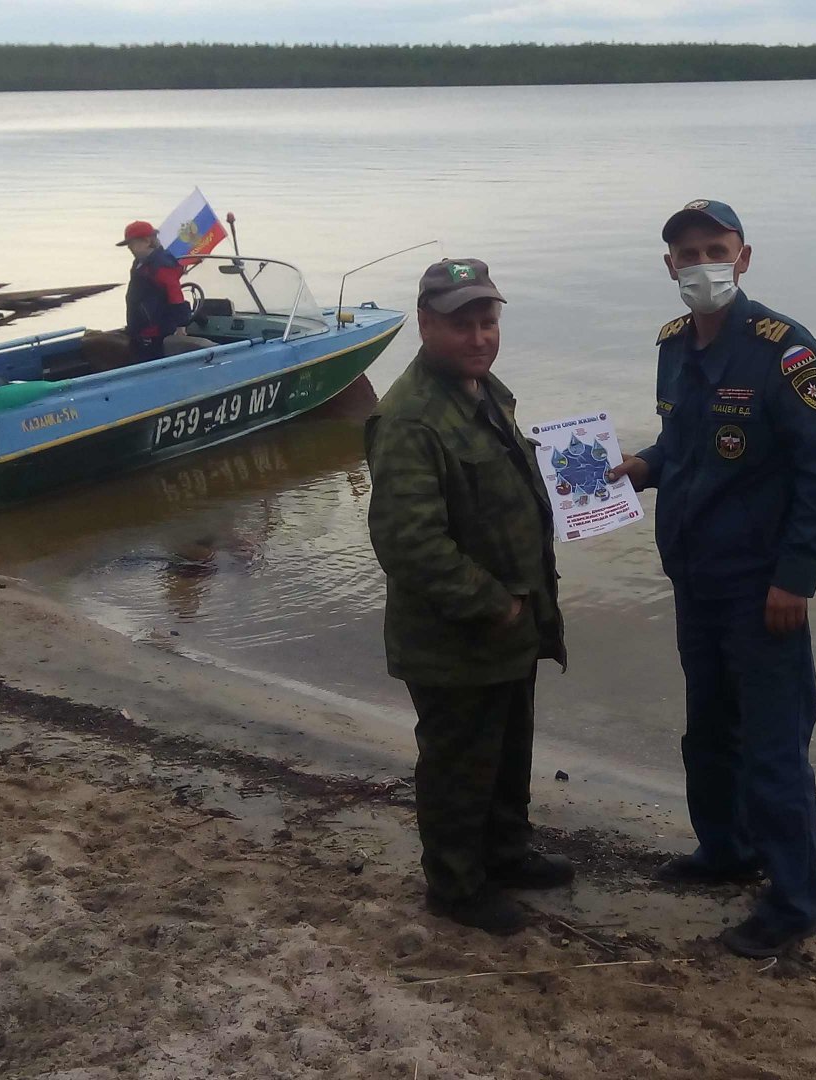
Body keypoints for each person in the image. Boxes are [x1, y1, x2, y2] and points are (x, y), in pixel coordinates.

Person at [609, 199, 816, 957]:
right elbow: (685, 444)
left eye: (715, 250)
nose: (702, 265)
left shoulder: (785, 351)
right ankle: (726, 850)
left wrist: (797, 575)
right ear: (669, 266)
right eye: (687, 254)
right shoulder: (673, 345)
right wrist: (643, 467)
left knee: (774, 747)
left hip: (763, 590)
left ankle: (794, 902)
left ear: (743, 258)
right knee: (710, 731)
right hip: (697, 577)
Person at [365, 258, 573, 935]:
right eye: (462, 325)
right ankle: (456, 887)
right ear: (426, 324)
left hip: (510, 625)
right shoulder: (410, 419)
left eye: (488, 322)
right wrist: (495, 604)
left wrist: (583, 474)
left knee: (507, 749)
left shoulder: (482, 391)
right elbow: (409, 542)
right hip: (457, 635)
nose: (479, 337)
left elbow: (501, 481)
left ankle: (505, 854)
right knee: (459, 763)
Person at [118, 219, 192, 363]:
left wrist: (181, 325)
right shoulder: (139, 263)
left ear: (147, 241)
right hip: (140, 329)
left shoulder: (161, 265)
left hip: (156, 332)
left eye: (132, 244)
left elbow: (175, 294)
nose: (129, 248)